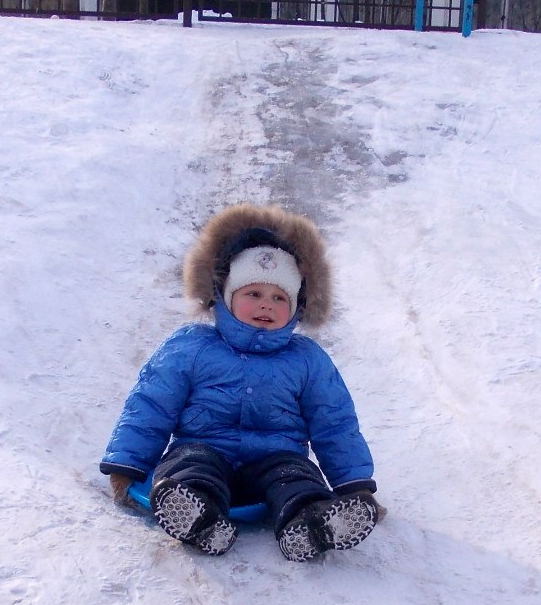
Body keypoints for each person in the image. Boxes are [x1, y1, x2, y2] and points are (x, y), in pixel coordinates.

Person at [100, 203, 380, 562]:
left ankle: (310, 522)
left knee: (297, 478)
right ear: (226, 297)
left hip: (276, 459)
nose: (267, 305)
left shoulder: (307, 359)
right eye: (253, 294)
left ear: (296, 307)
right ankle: (198, 517)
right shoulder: (191, 346)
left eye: (279, 297)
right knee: (188, 467)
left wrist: (353, 485)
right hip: (204, 449)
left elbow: (334, 422)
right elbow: (152, 405)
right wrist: (127, 465)